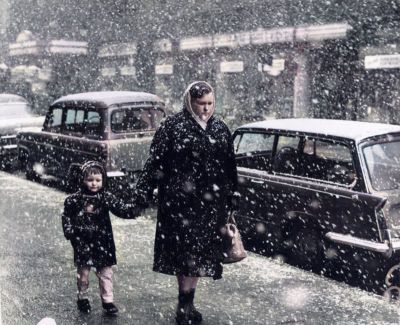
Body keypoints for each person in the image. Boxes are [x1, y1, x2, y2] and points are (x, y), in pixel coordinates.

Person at [134, 81, 238, 324]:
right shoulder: (172, 127)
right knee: (185, 254)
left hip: (211, 205)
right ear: (189, 102)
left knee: (200, 255)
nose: (206, 109)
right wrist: (143, 193)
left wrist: (233, 195)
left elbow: (229, 165)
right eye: (200, 104)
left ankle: (189, 302)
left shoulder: (220, 128)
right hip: (180, 204)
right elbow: (155, 162)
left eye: (210, 104)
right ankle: (184, 304)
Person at [61, 161, 140, 315]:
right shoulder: (75, 199)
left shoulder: (106, 197)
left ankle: (108, 301)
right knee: (83, 274)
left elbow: (121, 209)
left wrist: (135, 208)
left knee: (106, 274)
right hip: (83, 242)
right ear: (83, 180)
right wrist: (69, 230)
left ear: (103, 180)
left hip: (103, 241)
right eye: (90, 180)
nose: (94, 184)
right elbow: (67, 216)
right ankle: (82, 297)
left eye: (98, 180)